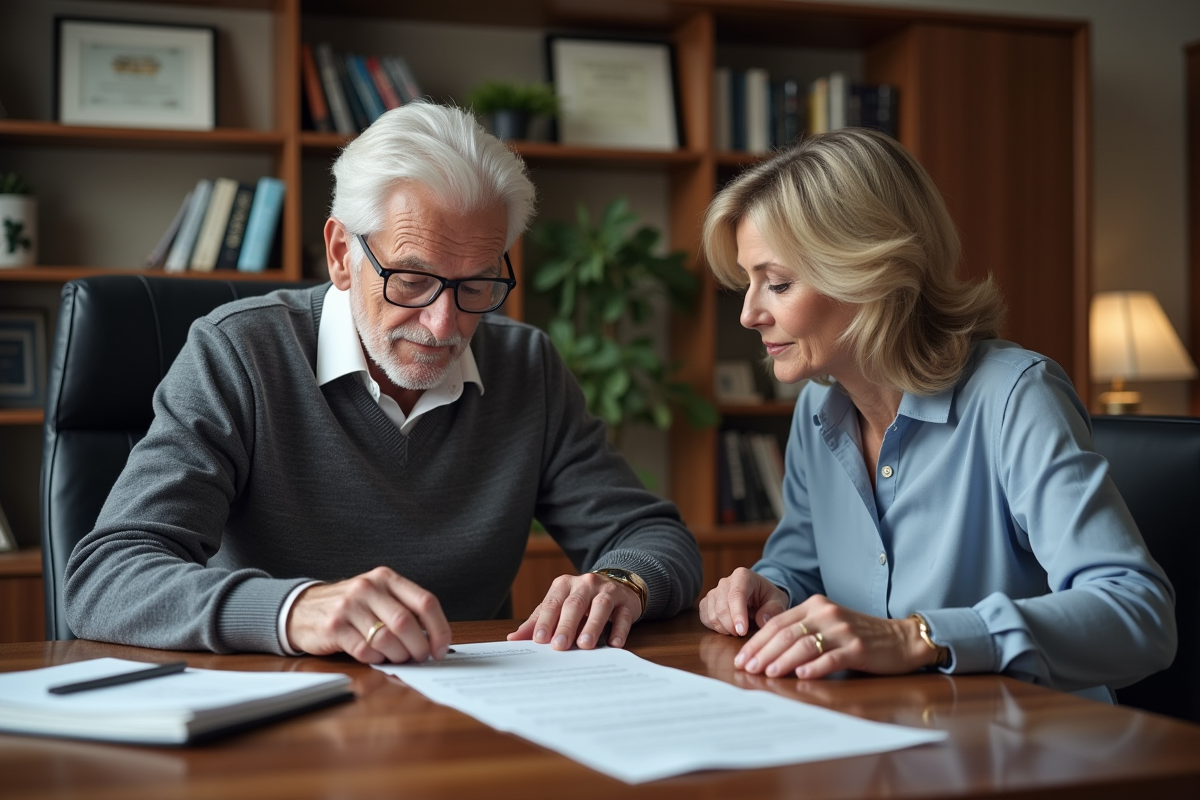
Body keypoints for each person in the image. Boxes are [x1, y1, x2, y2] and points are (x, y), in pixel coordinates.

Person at [65, 103, 702, 664]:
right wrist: (297, 610)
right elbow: (106, 578)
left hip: (476, 712)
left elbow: (654, 538)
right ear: (342, 254)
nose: (444, 323)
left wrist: (626, 580)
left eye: (477, 283)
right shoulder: (239, 352)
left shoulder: (526, 366)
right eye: (413, 279)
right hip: (285, 714)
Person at [697, 128, 1175, 700]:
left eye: (777, 283)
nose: (750, 314)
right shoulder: (814, 413)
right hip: (883, 740)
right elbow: (804, 566)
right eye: (748, 284)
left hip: (1031, 749)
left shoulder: (1016, 396)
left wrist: (917, 638)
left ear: (867, 271)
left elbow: (1139, 614)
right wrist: (770, 588)